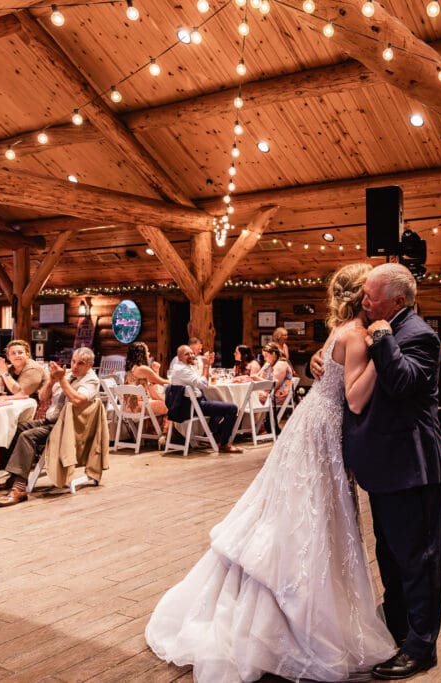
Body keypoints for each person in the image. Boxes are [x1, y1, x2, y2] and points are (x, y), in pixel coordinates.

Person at [147, 262, 397, 681]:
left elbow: (329, 372)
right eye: (370, 293)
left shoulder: (340, 332)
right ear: (362, 298)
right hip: (325, 426)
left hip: (308, 423)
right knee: (313, 514)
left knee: (298, 511)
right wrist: (380, 351)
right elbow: (354, 400)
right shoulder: (358, 335)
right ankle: (294, 617)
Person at [331, 262, 441, 680]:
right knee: (390, 555)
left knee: (418, 558)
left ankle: (421, 647)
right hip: (383, 465)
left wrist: (381, 335)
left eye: (372, 295)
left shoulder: (419, 335)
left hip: (410, 465)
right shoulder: (384, 325)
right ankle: (398, 627)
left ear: (397, 301)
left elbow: (400, 382)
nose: (364, 300)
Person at [0, 347, 99, 507]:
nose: (75, 366)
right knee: (14, 429)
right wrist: (51, 380)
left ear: (90, 365)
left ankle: (19, 489)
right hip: (52, 421)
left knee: (27, 436)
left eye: (81, 363)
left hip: (68, 428)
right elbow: (43, 396)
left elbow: (78, 400)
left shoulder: (91, 380)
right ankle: (13, 476)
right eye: (73, 361)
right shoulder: (69, 374)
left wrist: (61, 380)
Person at [167, 345, 241, 454]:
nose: (191, 355)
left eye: (191, 353)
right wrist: (206, 366)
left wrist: (207, 365)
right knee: (232, 408)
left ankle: (209, 436)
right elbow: (203, 384)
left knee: (218, 405)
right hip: (190, 407)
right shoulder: (182, 369)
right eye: (187, 354)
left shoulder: (185, 366)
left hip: (192, 403)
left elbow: (199, 378)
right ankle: (224, 444)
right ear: (179, 358)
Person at [123, 341, 169, 423]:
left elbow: (152, 385)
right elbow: (161, 382)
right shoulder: (142, 368)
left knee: (164, 401)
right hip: (138, 407)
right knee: (172, 404)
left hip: (128, 407)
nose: (149, 353)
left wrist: (155, 371)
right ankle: (168, 433)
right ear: (141, 354)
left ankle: (158, 431)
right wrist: (177, 381)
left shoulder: (131, 369)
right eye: (147, 351)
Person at [251, 342, 294, 406]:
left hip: (279, 396)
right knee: (246, 394)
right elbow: (257, 376)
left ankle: (251, 415)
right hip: (270, 393)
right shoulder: (270, 363)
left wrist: (257, 378)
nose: (265, 359)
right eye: (263, 356)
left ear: (273, 354)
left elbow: (273, 385)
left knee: (248, 395)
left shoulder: (281, 364)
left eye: (266, 356)